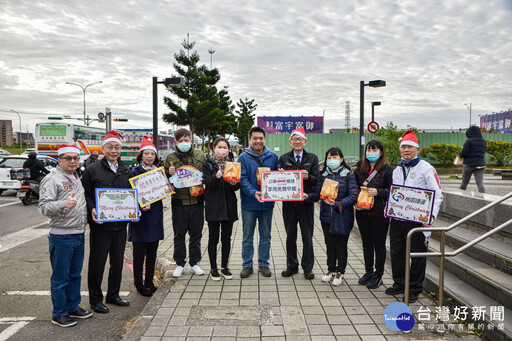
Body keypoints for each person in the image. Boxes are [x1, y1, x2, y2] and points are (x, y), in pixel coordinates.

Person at [385, 130, 444, 303]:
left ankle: (414, 288)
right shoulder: (397, 169)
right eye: (403, 147)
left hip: (418, 221)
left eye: (410, 147)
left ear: (418, 149)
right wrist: (389, 208)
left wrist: (430, 216)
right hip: (398, 219)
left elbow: (437, 193)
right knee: (397, 253)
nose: (406, 150)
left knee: (417, 255)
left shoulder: (426, 168)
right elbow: (395, 193)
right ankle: (399, 283)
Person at [38, 144, 92, 327]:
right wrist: (63, 204)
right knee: (61, 277)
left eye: (75, 158)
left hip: (78, 234)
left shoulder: (76, 177)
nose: (72, 161)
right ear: (59, 160)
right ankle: (59, 313)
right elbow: (43, 207)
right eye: (68, 158)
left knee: (75, 275)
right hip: (61, 236)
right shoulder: (52, 179)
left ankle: (72, 306)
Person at [81, 130, 132, 313]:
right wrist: (92, 207)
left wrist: (138, 208)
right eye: (110, 147)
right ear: (103, 149)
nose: (113, 151)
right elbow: (85, 194)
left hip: (120, 225)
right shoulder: (92, 170)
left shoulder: (126, 170)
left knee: (117, 262)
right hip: (100, 226)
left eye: (117, 147)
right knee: (97, 262)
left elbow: (132, 195)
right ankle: (95, 300)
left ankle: (113, 295)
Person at [308, 147, 359, 286]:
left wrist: (337, 204)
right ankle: (330, 270)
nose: (332, 160)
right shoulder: (323, 175)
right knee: (329, 245)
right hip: (326, 217)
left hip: (343, 216)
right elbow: (317, 193)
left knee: (341, 245)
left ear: (341, 159)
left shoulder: (349, 175)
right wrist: (306, 196)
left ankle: (340, 273)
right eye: (329, 158)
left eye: (335, 157)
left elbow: (354, 196)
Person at [164, 128, 207, 278]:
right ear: (175, 142)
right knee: (179, 234)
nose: (184, 143)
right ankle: (180, 263)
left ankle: (194, 263)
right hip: (178, 202)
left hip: (197, 201)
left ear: (191, 140)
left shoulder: (200, 155)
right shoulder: (170, 158)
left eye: (186, 140)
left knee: (196, 234)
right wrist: (169, 174)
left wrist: (204, 180)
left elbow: (207, 174)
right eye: (180, 141)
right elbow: (163, 182)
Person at [278, 127, 319, 280]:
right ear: (290, 142)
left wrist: (308, 177)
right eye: (294, 139)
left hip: (305, 204)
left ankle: (308, 268)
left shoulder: (312, 158)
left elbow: (317, 179)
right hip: (288, 204)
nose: (297, 142)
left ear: (305, 142)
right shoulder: (283, 158)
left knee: (307, 237)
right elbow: (276, 179)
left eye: (300, 139)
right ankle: (292, 266)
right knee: (290, 237)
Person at [238, 126, 278, 278]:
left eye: (261, 138)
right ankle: (247, 265)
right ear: (250, 140)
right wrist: (253, 192)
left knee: (266, 236)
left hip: (267, 204)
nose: (258, 141)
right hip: (249, 203)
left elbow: (277, 178)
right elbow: (242, 178)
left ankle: (264, 264)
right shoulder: (243, 157)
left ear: (264, 139)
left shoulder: (273, 157)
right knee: (247, 236)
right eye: (255, 138)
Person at [354, 140, 393, 289]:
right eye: (369, 150)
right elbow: (353, 187)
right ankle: (368, 272)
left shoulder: (387, 169)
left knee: (379, 245)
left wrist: (379, 192)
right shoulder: (359, 169)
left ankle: (379, 274)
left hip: (379, 213)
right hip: (362, 212)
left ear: (381, 152)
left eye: (374, 150)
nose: (371, 153)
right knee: (366, 244)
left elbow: (394, 191)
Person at [128, 136, 163, 297]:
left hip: (155, 217)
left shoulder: (158, 173)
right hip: (140, 219)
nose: (150, 156)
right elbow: (128, 196)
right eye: (146, 153)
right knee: (139, 255)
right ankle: (139, 284)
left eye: (152, 154)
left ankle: (149, 281)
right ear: (140, 155)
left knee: (152, 253)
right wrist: (139, 205)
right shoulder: (134, 173)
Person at [203, 137, 240, 281]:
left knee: (227, 238)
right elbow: (206, 184)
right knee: (213, 238)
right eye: (219, 147)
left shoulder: (233, 164)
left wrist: (233, 183)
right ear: (214, 148)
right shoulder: (208, 164)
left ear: (228, 149)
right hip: (213, 206)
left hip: (229, 206)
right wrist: (216, 176)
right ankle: (213, 268)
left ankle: (225, 267)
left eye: (225, 147)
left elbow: (237, 186)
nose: (222, 150)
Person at [459, 126, 487, 193]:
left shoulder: (469, 141)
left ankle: (460, 197)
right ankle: (482, 198)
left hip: (469, 165)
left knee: (464, 183)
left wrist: (460, 154)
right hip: (481, 165)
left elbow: (464, 153)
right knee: (480, 183)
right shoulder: (484, 141)